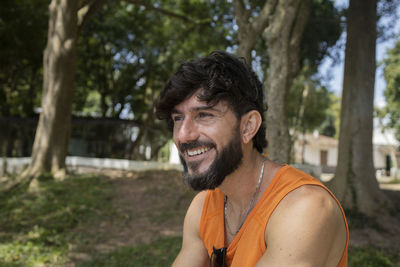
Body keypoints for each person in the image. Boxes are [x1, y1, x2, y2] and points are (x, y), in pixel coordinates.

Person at [155, 51, 348, 267]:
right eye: (178, 118)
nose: (183, 135)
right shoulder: (203, 207)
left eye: (204, 115)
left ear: (248, 127)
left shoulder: (304, 208)